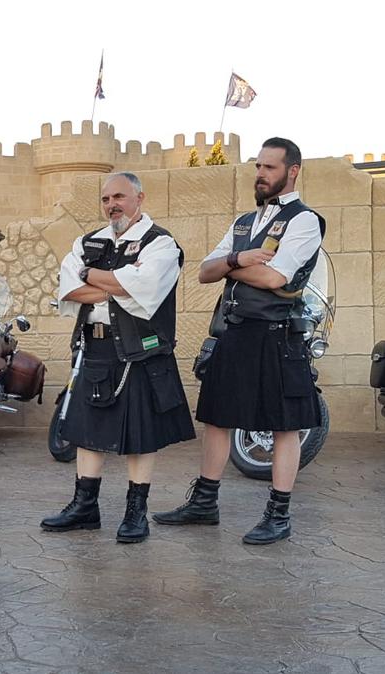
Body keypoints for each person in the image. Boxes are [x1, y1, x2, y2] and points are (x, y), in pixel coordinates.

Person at [153, 137, 324, 545]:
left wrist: (231, 266)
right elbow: (203, 271)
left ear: (292, 171)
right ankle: (204, 503)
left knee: (285, 425)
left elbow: (274, 278)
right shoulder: (244, 222)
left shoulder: (305, 220)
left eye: (270, 167)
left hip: (276, 335)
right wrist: (238, 260)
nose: (261, 174)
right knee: (217, 417)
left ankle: (278, 515)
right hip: (233, 331)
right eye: (258, 167)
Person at [42, 173, 196, 543]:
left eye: (120, 197)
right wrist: (113, 284)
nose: (112, 204)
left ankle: (135, 512)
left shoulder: (161, 244)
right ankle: (84, 507)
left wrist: (91, 277)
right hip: (95, 346)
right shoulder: (88, 241)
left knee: (140, 436)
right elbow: (69, 287)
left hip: (140, 350)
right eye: (106, 198)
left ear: (139, 197)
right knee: (86, 432)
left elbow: (143, 288)